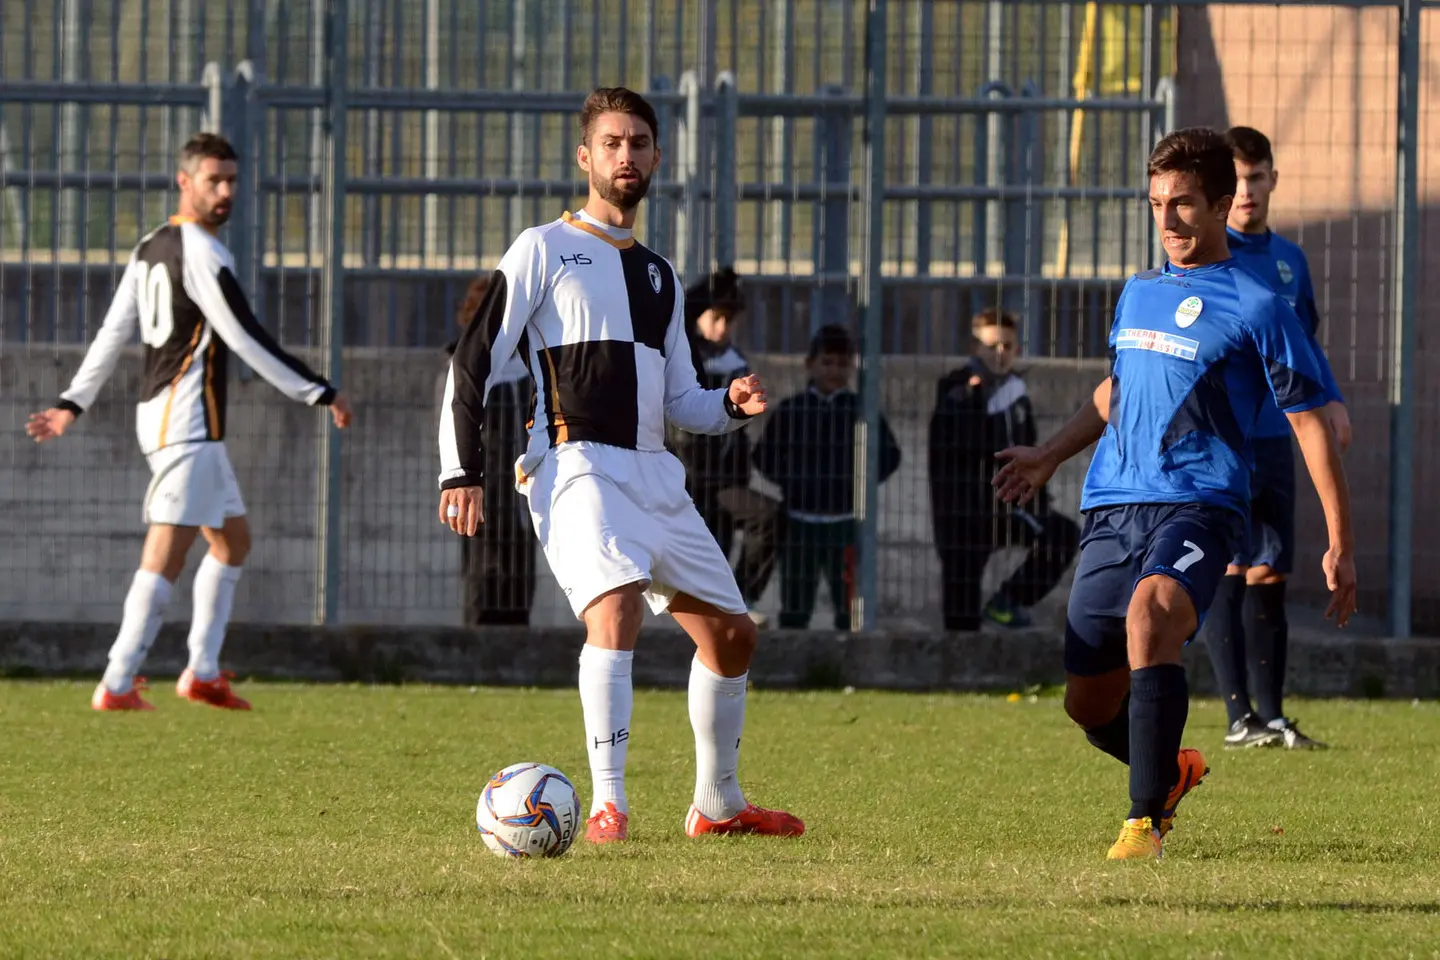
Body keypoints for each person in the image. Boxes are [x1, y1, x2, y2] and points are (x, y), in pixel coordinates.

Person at [437, 87, 803, 845]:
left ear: (656, 157)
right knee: (616, 607)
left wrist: (728, 403)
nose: (625, 156)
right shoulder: (541, 247)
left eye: (638, 142)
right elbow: (472, 360)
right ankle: (610, 806)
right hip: (573, 466)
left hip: (652, 471)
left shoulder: (661, 276)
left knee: (733, 636)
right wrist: (460, 469)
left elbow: (681, 403)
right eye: (611, 143)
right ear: (585, 157)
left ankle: (718, 805)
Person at [993, 127, 1356, 861]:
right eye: (1156, 203)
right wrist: (1047, 457)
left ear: (1222, 204)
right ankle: (1172, 769)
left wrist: (1341, 540)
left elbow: (1311, 425)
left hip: (1202, 502)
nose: (1167, 220)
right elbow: (1117, 392)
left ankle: (1143, 824)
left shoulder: (1259, 305)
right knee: (1087, 703)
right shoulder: (1137, 294)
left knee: (1151, 612)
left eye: (1184, 203)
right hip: (1113, 505)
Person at [26, 132, 353, 712]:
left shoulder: (152, 245)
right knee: (166, 553)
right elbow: (244, 335)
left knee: (232, 543)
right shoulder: (201, 251)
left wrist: (71, 403)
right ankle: (118, 681)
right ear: (185, 182)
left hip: (173, 421)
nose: (225, 191)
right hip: (186, 421)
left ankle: (201, 670)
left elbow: (111, 333)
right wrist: (318, 390)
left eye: (231, 180)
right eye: (213, 180)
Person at [1198, 125, 1352, 751]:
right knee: (1229, 568)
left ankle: (1273, 715)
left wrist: (1332, 397)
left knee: (1271, 572)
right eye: (1235, 181)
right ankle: (1239, 718)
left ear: (1272, 180)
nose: (1246, 192)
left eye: (1256, 178)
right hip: (1227, 440)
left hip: (1277, 437)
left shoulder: (1290, 260)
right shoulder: (1209, 258)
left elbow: (1305, 343)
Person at [927, 307, 1079, 631]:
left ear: (1017, 350)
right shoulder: (956, 388)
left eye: (1007, 346)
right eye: (992, 345)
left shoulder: (1016, 393)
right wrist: (973, 398)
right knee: (960, 608)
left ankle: (1009, 600)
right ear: (974, 348)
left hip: (1004, 504)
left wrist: (1034, 494)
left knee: (1061, 534)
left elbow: (1029, 447)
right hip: (962, 511)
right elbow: (955, 446)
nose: (1000, 353)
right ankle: (960, 674)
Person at [752, 324, 902, 631]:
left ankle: (849, 667)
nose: (834, 370)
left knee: (849, 605)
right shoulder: (792, 410)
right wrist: (793, 483)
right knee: (795, 603)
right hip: (799, 522)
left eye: (842, 363)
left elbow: (891, 456)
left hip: (845, 523)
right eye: (827, 362)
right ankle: (793, 667)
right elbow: (763, 456)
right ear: (811, 364)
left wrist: (857, 485)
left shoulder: (861, 410)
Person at [669, 266, 781, 624]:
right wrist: (714, 284)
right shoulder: (684, 352)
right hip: (693, 478)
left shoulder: (735, 361)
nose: (721, 328)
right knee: (709, 550)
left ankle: (738, 599)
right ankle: (720, 608)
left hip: (727, 477)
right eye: (715, 318)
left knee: (766, 518)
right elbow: (683, 311)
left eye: (728, 321)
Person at [437, 274, 537, 625]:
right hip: (477, 488)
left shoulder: (529, 368)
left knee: (519, 576)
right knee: (481, 574)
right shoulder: (462, 368)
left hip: (521, 491)